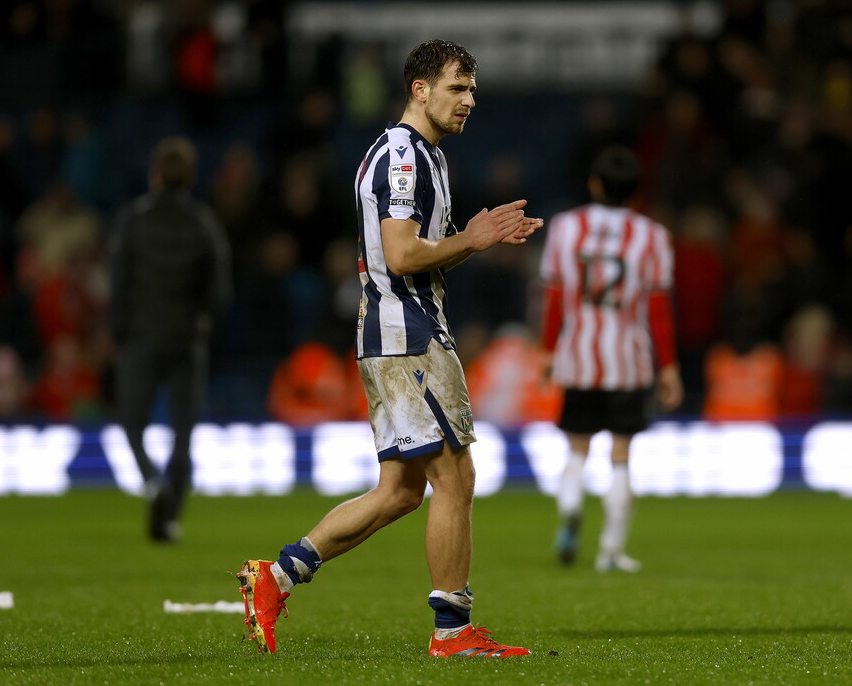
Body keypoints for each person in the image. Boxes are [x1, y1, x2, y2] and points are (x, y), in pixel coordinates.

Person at [236, 39, 543, 657]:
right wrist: (474, 239)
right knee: (455, 477)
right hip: (406, 334)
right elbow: (401, 256)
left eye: (473, 90)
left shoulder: (421, 155)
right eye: (458, 88)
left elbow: (409, 254)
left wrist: (466, 240)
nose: (470, 100)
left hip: (400, 328)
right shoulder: (402, 160)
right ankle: (453, 632)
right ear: (419, 89)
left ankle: (276, 576)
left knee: (401, 491)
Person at [539, 146, 683, 573]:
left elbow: (554, 298)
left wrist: (548, 353)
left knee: (577, 449)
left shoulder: (566, 228)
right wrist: (669, 367)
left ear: (595, 184)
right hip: (629, 360)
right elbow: (658, 308)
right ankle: (610, 552)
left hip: (578, 356)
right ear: (635, 191)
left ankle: (570, 510)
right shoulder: (652, 236)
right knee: (620, 454)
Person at [108, 136, 232, 542]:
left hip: (142, 336)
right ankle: (170, 518)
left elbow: (119, 280)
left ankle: (151, 480)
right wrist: (203, 325)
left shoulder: (134, 219)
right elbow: (219, 290)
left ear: (155, 173)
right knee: (182, 431)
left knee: (130, 421)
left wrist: (118, 331)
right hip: (187, 338)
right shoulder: (203, 223)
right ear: (191, 176)